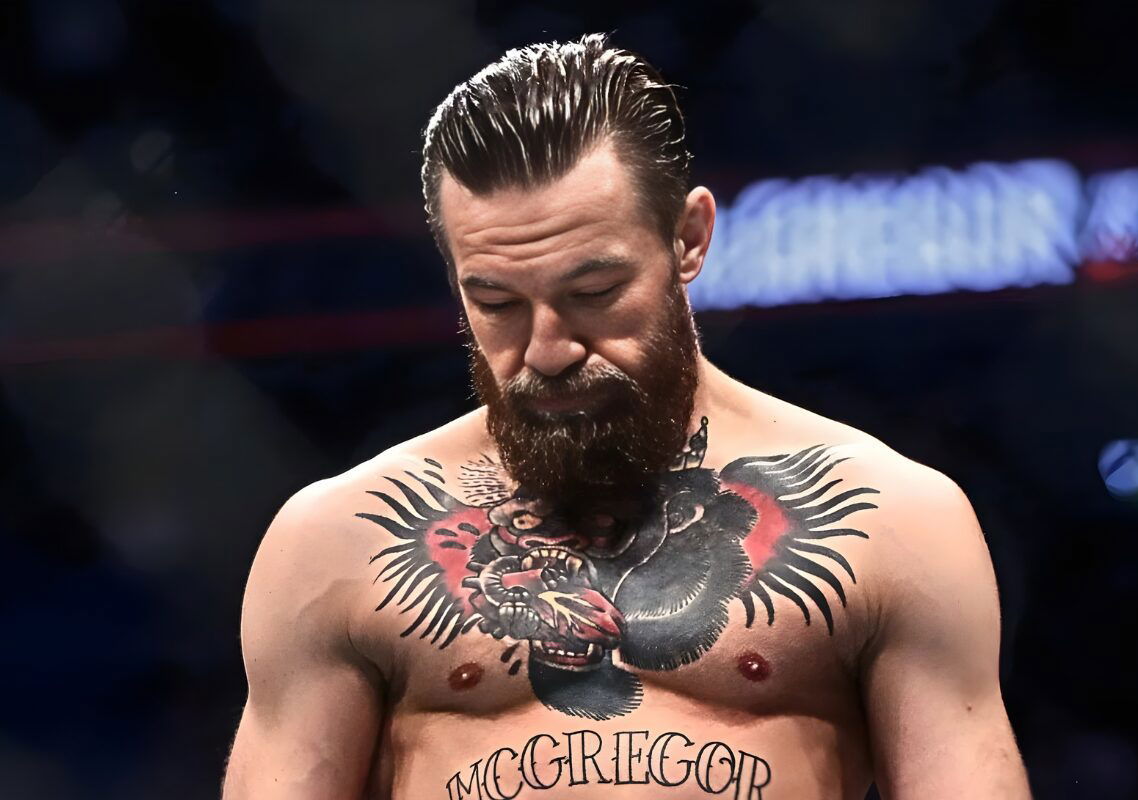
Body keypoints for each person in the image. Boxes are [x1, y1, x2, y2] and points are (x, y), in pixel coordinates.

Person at [222, 32, 1033, 800]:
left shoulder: (896, 521)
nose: (547, 350)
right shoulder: (335, 543)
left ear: (688, 238)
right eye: (496, 302)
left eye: (594, 292)